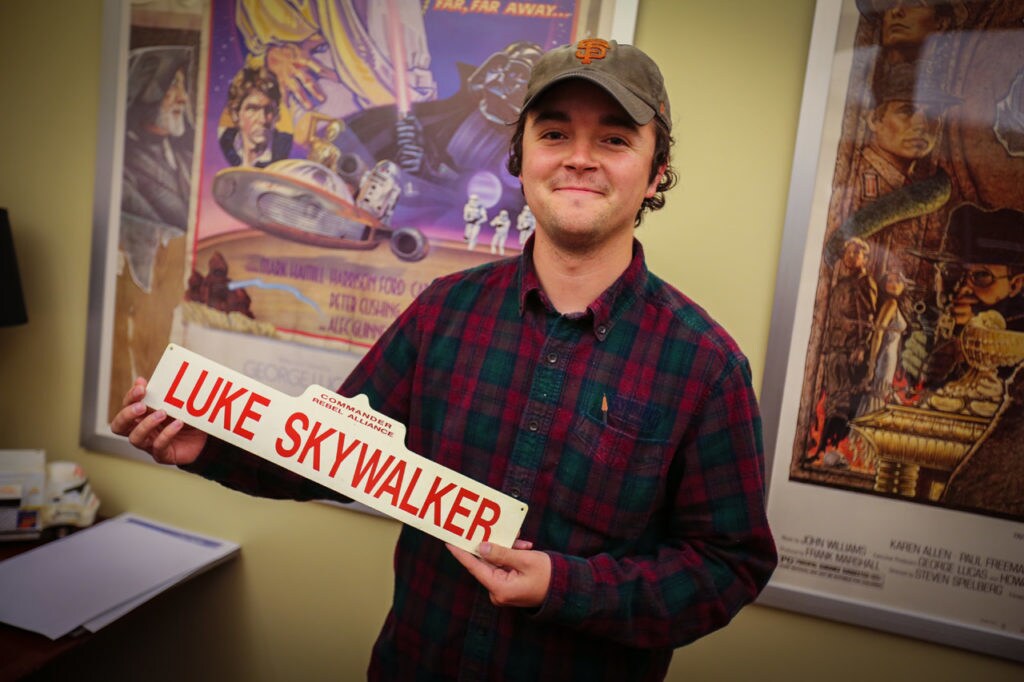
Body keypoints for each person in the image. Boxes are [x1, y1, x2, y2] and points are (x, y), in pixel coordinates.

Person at [111, 38, 777, 681]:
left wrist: (567, 587)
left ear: (657, 169)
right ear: (519, 157)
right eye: (552, 134)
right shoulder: (444, 312)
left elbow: (728, 565)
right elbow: (330, 453)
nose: (579, 158)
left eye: (613, 137)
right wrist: (214, 444)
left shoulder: (705, 366)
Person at [218, 65, 293, 168]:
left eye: (269, 109)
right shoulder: (223, 141)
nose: (262, 119)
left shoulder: (286, 148)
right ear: (236, 114)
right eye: (253, 109)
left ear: (276, 114)